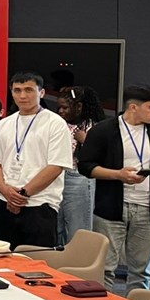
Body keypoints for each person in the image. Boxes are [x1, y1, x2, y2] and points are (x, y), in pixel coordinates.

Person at [78, 84, 150, 293]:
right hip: (111, 206)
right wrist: (118, 175)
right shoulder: (104, 130)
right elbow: (86, 166)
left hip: (147, 209)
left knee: (142, 271)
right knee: (105, 267)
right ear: (133, 107)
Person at [0, 72, 73, 249]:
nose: (23, 95)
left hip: (39, 204)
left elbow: (56, 166)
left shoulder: (55, 123)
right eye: (17, 90)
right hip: (5, 202)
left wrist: (22, 195)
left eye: (29, 90)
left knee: (38, 261)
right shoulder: (4, 124)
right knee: (5, 259)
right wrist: (4, 190)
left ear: (42, 92)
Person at [56, 86, 103, 245]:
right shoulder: (58, 124)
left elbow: (102, 156)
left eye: (65, 108)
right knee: (57, 226)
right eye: (59, 107)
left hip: (78, 176)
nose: (61, 111)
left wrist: (85, 141)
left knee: (77, 226)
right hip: (56, 175)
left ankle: (77, 259)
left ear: (79, 107)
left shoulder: (93, 127)